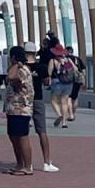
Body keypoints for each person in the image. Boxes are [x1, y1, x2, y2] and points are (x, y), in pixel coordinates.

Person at [29, 40, 59, 172]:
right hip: (38, 99)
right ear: (35, 52)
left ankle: (27, 162)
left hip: (23, 101)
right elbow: (47, 81)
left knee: (23, 133)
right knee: (42, 131)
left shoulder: (20, 66)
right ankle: (47, 162)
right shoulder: (41, 67)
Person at [4, 45, 34, 174]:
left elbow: (11, 77)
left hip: (21, 109)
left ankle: (28, 166)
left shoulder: (22, 70)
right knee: (13, 136)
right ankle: (19, 163)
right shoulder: (16, 69)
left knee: (22, 137)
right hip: (13, 108)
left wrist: (16, 64)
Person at [50, 42, 75, 127]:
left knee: (54, 100)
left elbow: (49, 72)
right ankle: (64, 123)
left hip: (57, 82)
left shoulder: (53, 60)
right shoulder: (68, 59)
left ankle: (59, 115)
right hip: (68, 82)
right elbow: (75, 69)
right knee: (64, 102)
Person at [67, 45, 85, 118]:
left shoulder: (66, 59)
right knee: (75, 97)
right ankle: (74, 113)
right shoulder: (78, 59)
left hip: (69, 80)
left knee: (68, 97)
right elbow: (83, 71)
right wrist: (83, 79)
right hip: (78, 80)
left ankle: (70, 114)